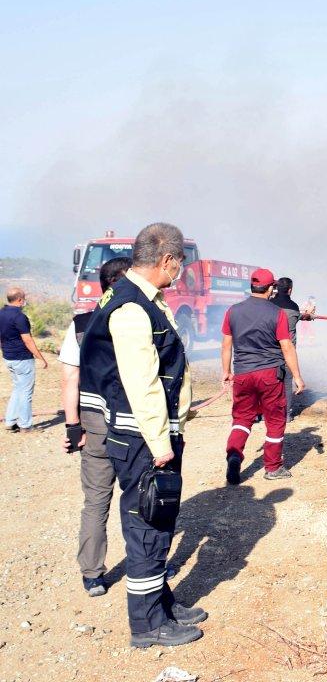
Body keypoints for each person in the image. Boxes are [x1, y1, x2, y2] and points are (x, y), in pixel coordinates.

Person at [78, 222, 206, 648]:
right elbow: (143, 384)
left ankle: (163, 602)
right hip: (143, 441)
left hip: (146, 437)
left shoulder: (138, 298)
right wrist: (161, 445)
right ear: (167, 260)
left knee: (160, 522)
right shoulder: (133, 308)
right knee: (148, 526)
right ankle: (148, 624)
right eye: (180, 264)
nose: (182, 272)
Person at [59, 257, 131, 597]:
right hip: (134, 422)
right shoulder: (141, 318)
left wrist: (74, 429)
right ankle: (146, 565)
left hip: (94, 421)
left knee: (96, 501)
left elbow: (69, 378)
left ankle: (92, 575)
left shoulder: (79, 325)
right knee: (139, 498)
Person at [222, 268, 305, 484]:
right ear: (271, 288)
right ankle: (273, 467)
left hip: (242, 373)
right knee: (275, 421)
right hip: (270, 375)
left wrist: (226, 372)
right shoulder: (276, 313)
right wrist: (297, 376)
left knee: (241, 419)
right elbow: (286, 346)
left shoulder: (233, 311)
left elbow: (226, 345)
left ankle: (234, 455)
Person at [2, 287, 48, 433]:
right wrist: (41, 358)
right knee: (26, 392)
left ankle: (10, 421)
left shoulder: (1, 314)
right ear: (20, 300)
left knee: (18, 389)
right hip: (22, 359)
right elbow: (27, 340)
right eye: (24, 298)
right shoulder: (20, 317)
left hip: (8, 357)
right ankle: (26, 425)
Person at [268, 277, 313, 421]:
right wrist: (309, 314)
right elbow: (301, 316)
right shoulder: (293, 307)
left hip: (270, 351)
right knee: (287, 382)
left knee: (269, 383)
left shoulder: (269, 305)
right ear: (290, 290)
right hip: (288, 352)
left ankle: (265, 413)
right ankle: (286, 414)